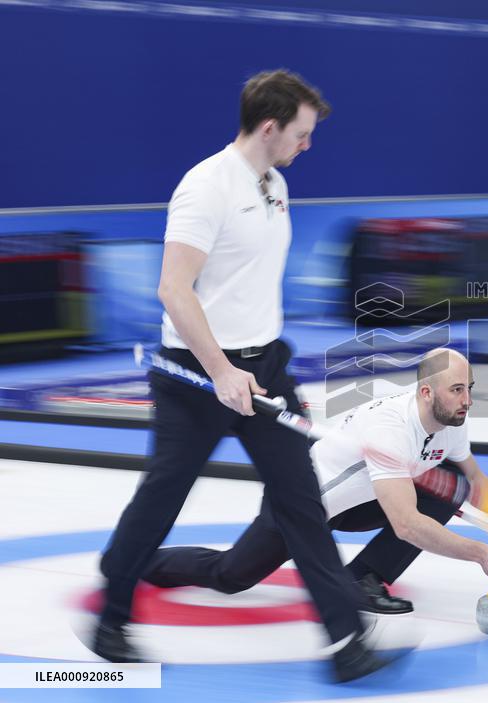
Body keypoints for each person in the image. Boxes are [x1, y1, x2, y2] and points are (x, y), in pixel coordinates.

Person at [95, 70, 392, 683]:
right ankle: (111, 616)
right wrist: (221, 369)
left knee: (301, 499)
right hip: (197, 375)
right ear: (269, 127)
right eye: (301, 133)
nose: (307, 144)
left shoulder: (275, 184)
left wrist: (261, 366)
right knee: (164, 495)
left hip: (264, 368)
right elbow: (173, 289)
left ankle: (346, 640)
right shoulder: (206, 187)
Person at [141, 348, 488, 606]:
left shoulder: (451, 421)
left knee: (454, 485)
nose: (467, 400)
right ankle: (140, 561)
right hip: (306, 503)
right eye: (457, 389)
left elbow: (475, 481)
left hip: (362, 501)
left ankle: (363, 578)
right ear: (426, 392)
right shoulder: (390, 428)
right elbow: (406, 524)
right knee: (231, 576)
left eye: (469, 388)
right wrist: (483, 553)